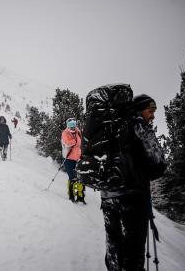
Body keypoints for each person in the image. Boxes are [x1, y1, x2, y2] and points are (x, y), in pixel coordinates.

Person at [101, 94, 166, 271]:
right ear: (139, 110)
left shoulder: (111, 127)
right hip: (133, 197)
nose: (152, 115)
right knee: (134, 251)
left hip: (108, 196)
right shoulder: (139, 125)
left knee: (113, 244)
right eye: (150, 111)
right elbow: (158, 163)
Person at [61, 118, 85, 203]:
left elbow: (81, 142)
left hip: (78, 158)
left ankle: (80, 196)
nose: (73, 129)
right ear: (68, 127)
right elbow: (67, 143)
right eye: (71, 127)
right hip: (69, 159)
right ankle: (71, 195)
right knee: (72, 177)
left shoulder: (78, 131)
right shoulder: (65, 133)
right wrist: (74, 140)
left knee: (80, 177)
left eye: (74, 127)